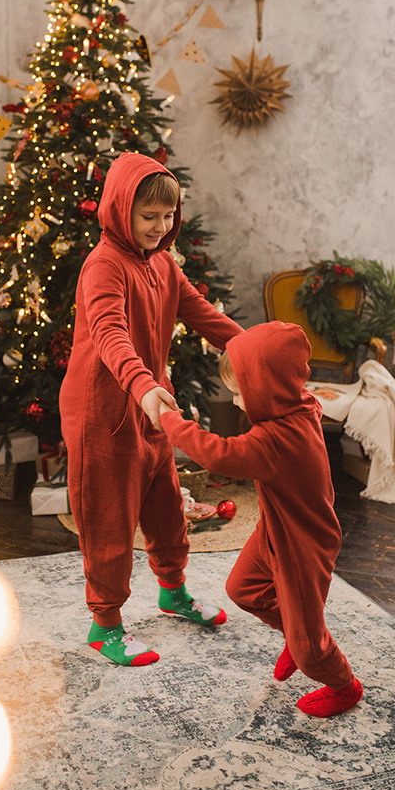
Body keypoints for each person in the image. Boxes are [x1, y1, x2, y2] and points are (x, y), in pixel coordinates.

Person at [59, 151, 244, 666]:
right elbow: (111, 335)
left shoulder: (163, 262)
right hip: (103, 411)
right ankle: (105, 624)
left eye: (169, 218)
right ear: (120, 209)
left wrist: (254, 351)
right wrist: (142, 386)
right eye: (149, 218)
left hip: (151, 403)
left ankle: (172, 591)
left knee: (166, 506)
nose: (161, 229)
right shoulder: (103, 267)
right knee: (109, 519)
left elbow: (204, 314)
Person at [158, 321, 364, 718]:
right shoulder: (298, 406)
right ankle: (294, 630)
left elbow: (220, 455)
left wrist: (170, 422)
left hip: (303, 543)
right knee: (243, 589)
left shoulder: (278, 439)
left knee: (310, 650)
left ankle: (343, 684)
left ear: (267, 389)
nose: (235, 403)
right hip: (275, 527)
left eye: (239, 393)